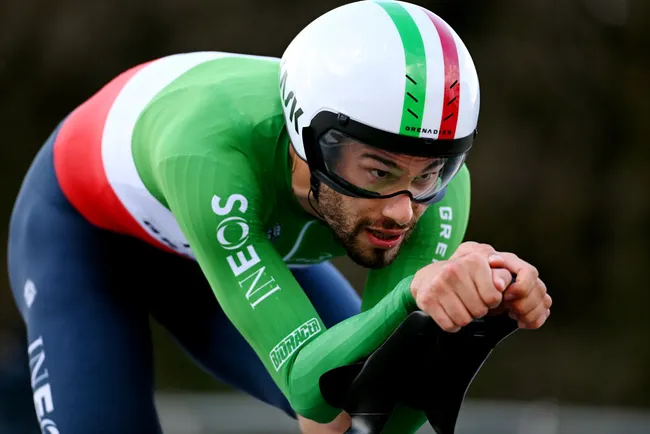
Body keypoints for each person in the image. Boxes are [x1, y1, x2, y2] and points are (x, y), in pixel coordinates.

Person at [6, 1, 551, 433]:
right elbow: (306, 385)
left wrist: (478, 316)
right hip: (86, 240)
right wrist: (412, 297)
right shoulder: (209, 153)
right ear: (306, 136)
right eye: (378, 171)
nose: (401, 209)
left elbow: (370, 410)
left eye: (428, 173)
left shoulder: (439, 192)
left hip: (226, 237)